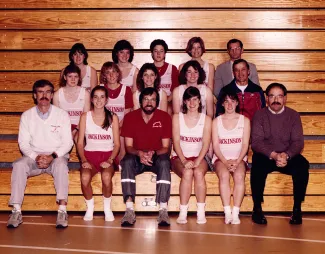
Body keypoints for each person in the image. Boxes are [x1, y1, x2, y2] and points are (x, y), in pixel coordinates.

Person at [7, 80, 73, 228]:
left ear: (52, 95)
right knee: (18, 165)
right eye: (40, 92)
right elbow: (23, 144)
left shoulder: (61, 115)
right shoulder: (27, 116)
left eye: (48, 92)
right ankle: (16, 210)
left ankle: (62, 210)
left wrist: (52, 156)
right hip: (34, 157)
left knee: (62, 165)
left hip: (56, 156)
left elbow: (68, 143)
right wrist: (36, 157)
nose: (44, 95)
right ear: (34, 95)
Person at [251, 83, 309, 225]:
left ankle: (297, 209)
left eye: (279, 96)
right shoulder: (259, 115)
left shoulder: (293, 115)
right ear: (266, 98)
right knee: (257, 164)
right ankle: (257, 208)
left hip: (287, 155)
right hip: (267, 156)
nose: (275, 100)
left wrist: (286, 155)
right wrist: (274, 155)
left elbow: (298, 142)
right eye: (272, 96)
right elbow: (257, 142)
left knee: (302, 165)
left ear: (285, 98)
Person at [120, 87, 172, 227]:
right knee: (127, 161)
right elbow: (128, 147)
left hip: (156, 155)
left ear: (157, 102)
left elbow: (166, 147)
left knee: (164, 162)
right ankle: (129, 209)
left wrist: (153, 153)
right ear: (140, 101)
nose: (149, 102)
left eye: (153, 99)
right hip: (137, 156)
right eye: (146, 99)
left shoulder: (165, 117)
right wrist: (140, 153)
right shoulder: (130, 117)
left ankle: (163, 209)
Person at [77, 86, 120, 221]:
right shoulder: (85, 116)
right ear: (91, 99)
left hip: (107, 156)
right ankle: (90, 208)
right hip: (89, 156)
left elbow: (117, 144)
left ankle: (107, 208)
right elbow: (79, 143)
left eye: (102, 97)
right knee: (84, 178)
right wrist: (83, 160)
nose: (99, 100)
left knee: (106, 177)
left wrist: (110, 160)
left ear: (106, 100)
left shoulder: (113, 117)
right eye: (96, 97)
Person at [171, 86, 212, 224]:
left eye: (195, 100)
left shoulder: (206, 119)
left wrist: (197, 161)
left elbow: (206, 143)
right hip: (180, 157)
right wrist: (183, 160)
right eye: (189, 100)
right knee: (188, 173)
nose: (192, 103)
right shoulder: (177, 117)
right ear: (184, 102)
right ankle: (183, 212)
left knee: (198, 173)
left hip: (200, 157)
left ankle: (201, 212)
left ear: (200, 101)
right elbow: (176, 141)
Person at [212, 91, 250, 224]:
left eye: (232, 101)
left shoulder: (244, 120)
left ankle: (236, 213)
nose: (229, 105)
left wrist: (238, 161)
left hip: (239, 158)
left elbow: (245, 144)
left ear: (237, 103)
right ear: (222, 104)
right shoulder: (216, 121)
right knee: (224, 175)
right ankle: (227, 212)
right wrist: (225, 161)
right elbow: (216, 146)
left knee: (239, 176)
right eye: (226, 101)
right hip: (221, 159)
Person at [100, 61, 134, 161]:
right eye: (108, 72)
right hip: (104, 124)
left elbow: (127, 114)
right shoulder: (101, 89)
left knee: (121, 134)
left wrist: (117, 126)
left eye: (114, 71)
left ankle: (120, 162)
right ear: (104, 75)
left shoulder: (126, 89)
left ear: (118, 73)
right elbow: (98, 112)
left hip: (121, 124)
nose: (111, 75)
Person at [53, 64, 91, 143]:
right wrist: (67, 131)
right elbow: (57, 118)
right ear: (65, 77)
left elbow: (85, 117)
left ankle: (83, 155)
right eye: (70, 76)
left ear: (79, 78)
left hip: (80, 126)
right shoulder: (57, 95)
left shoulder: (85, 94)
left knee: (79, 138)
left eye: (76, 76)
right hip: (63, 127)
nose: (73, 79)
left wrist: (75, 130)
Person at [150, 39, 179, 114]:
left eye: (161, 51)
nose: (158, 54)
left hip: (168, 100)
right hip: (151, 100)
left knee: (168, 109)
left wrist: (166, 101)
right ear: (152, 53)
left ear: (165, 53)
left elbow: (175, 89)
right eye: (156, 51)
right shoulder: (147, 69)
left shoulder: (172, 68)